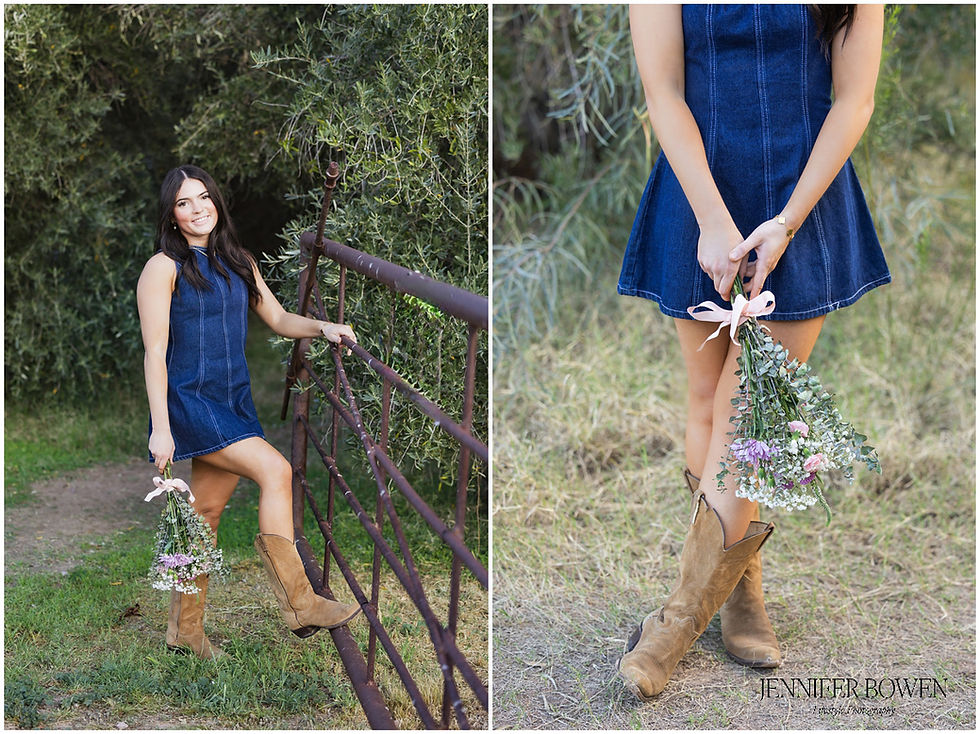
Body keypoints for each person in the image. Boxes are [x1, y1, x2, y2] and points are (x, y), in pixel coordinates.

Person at [616, 5, 890, 699]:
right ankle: (738, 593)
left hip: (802, 200)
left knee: (748, 421)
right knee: (709, 402)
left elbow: (854, 98)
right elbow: (664, 92)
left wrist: (787, 222)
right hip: (699, 193)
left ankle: (675, 623)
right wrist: (711, 219)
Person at [137, 164, 361, 660]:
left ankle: (184, 634)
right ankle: (300, 603)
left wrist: (323, 328)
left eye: (203, 198)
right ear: (171, 216)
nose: (198, 210)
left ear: (216, 201)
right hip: (192, 401)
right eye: (184, 203)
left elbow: (277, 317)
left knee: (206, 513)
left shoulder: (237, 259)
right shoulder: (163, 267)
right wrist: (162, 430)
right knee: (275, 470)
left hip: (231, 397)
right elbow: (154, 352)